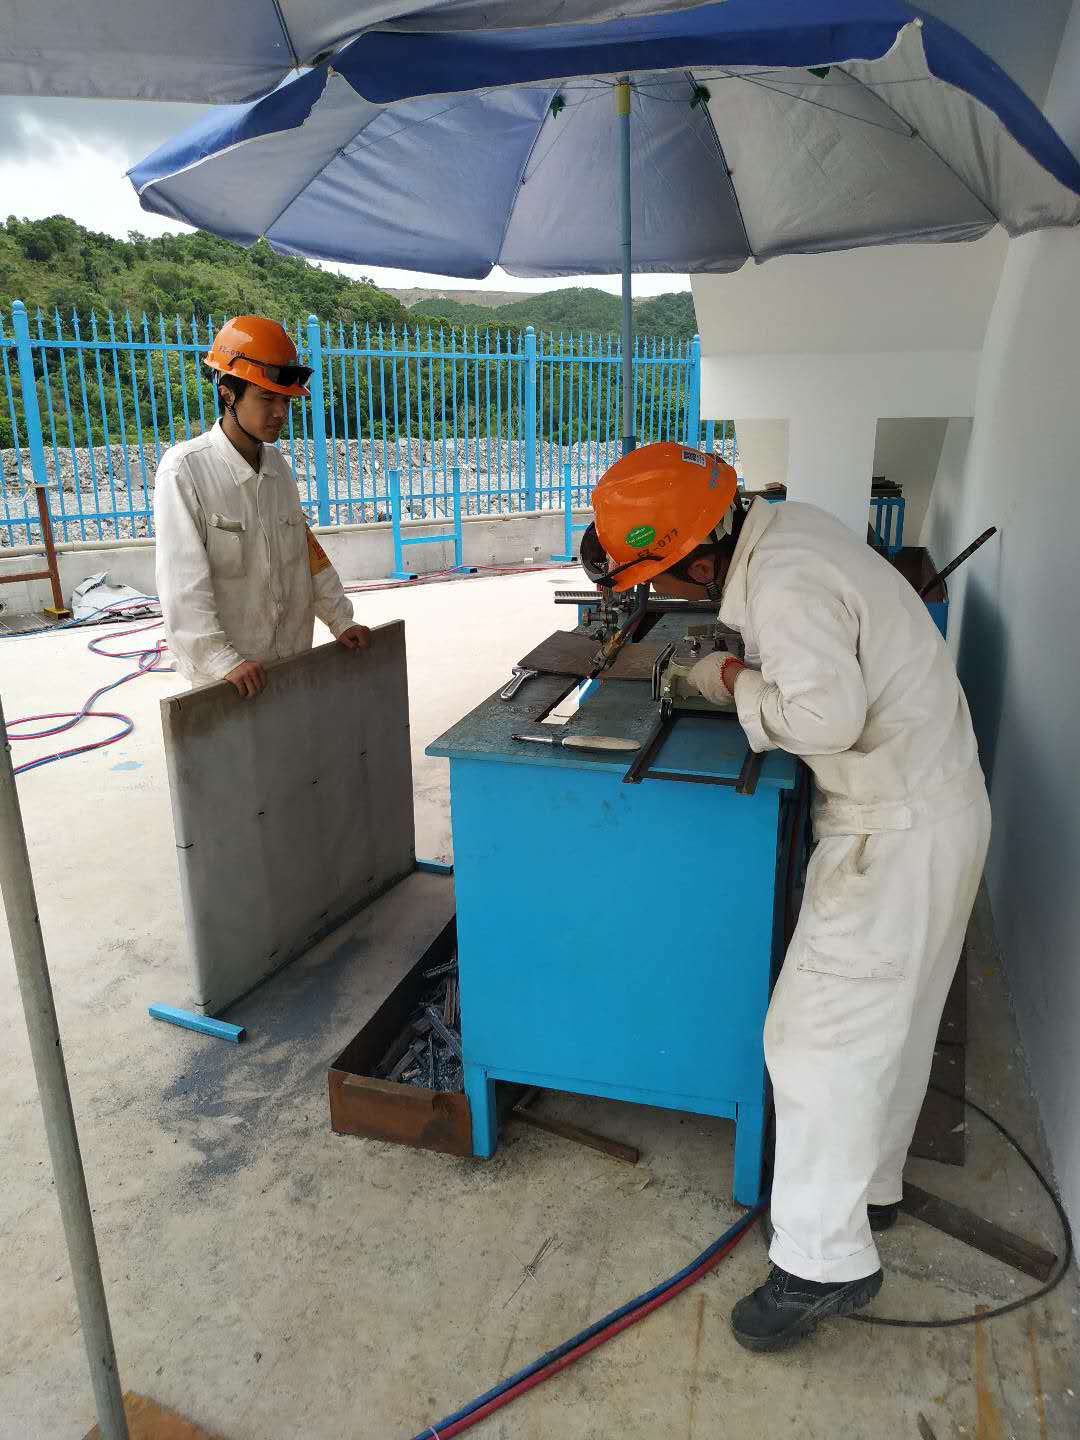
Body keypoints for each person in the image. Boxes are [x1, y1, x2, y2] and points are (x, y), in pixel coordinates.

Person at [581, 442, 990, 1353]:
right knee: (891, 1026)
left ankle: (821, 1265)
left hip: (892, 831)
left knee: (814, 1044)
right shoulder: (787, 531)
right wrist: (745, 659)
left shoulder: (786, 581)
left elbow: (825, 719)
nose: (666, 593)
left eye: (660, 576)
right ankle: (868, 1195)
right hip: (939, 809)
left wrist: (726, 678)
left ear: (698, 557)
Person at [154, 316, 370, 696]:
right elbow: (182, 585)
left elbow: (305, 552)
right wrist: (222, 660)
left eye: (285, 400)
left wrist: (340, 619)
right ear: (227, 394)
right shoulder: (185, 470)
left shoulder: (277, 468)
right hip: (228, 681)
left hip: (290, 665)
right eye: (267, 398)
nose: (280, 413)